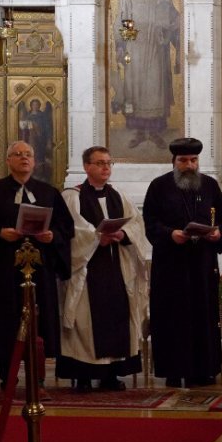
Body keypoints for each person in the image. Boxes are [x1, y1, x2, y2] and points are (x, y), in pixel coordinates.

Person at [0, 141, 74, 387]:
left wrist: (52, 236)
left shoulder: (49, 193)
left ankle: (38, 376)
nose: (24, 158)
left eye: (28, 155)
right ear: (8, 161)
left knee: (40, 318)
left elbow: (65, 227)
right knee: (7, 320)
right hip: (5, 269)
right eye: (17, 154)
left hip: (40, 268)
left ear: (34, 161)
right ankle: (8, 375)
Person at [56, 147, 150, 393]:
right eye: (99, 163)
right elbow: (72, 230)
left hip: (116, 268)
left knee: (117, 315)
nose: (105, 168)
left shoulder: (118, 195)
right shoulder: (72, 196)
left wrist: (123, 233)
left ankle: (110, 374)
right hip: (87, 271)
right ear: (86, 166)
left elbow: (136, 224)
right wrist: (97, 239)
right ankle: (84, 375)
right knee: (85, 322)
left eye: (109, 163)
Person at [143, 137, 222, 387]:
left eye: (193, 160)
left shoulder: (210, 186)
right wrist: (171, 234)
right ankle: (174, 371)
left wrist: (218, 234)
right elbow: (150, 222)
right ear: (174, 162)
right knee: (173, 318)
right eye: (183, 161)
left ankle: (203, 370)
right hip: (171, 265)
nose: (189, 165)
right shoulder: (158, 187)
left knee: (203, 316)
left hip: (203, 264)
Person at [113, 0, 180, 150]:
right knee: (137, 88)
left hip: (156, 47)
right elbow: (121, 21)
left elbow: (174, 18)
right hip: (135, 47)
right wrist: (120, 45)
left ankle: (155, 131)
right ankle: (140, 132)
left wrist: (167, 32)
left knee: (155, 86)